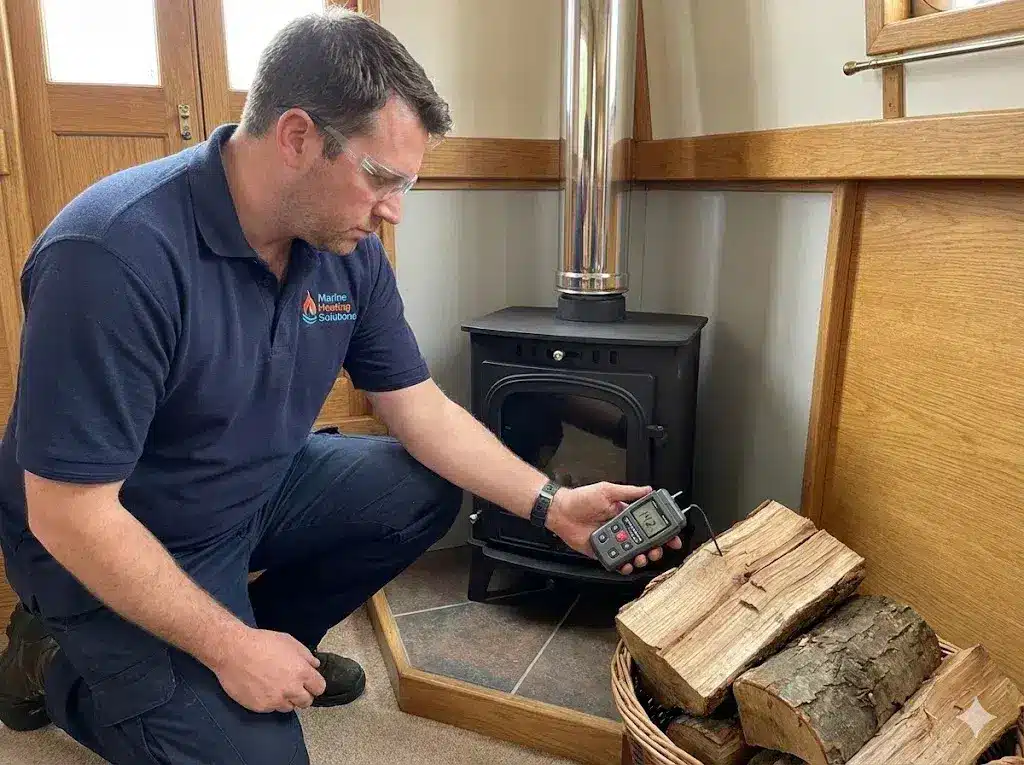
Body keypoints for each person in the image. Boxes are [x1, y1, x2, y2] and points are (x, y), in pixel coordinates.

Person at [0, 8, 681, 764]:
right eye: (382, 178)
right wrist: (228, 645)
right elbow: (69, 513)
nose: (393, 210)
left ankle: (273, 643)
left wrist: (551, 506)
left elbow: (417, 406)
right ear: (296, 138)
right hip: (112, 537)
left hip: (247, 493)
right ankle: (56, 666)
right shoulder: (111, 255)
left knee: (417, 487)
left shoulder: (342, 248)